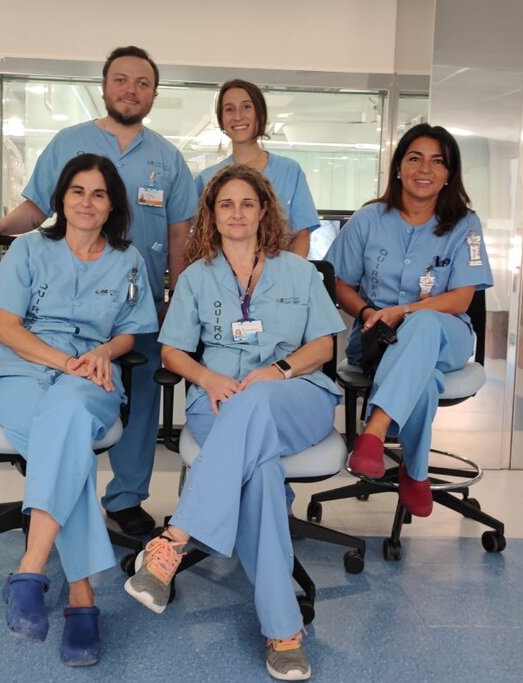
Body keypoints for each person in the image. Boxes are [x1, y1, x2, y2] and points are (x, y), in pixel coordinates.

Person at [0, 46, 198, 536]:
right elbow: (35, 209)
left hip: (135, 306)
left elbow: (180, 234)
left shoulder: (167, 158)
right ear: (104, 86)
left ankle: (126, 496)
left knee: (134, 398)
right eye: (121, 79)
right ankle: (70, 502)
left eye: (142, 83)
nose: (130, 90)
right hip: (61, 309)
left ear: (154, 94)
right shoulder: (69, 142)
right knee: (74, 400)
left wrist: (179, 300)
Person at [124, 165, 344, 681]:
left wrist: (279, 370)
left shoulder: (299, 271)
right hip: (217, 398)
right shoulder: (197, 277)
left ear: (264, 210)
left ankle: (174, 540)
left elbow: (324, 345)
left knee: (257, 402)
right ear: (212, 214)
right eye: (226, 204)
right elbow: (174, 351)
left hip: (295, 396)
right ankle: (283, 633)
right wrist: (208, 377)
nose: (237, 213)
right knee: (262, 477)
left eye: (247, 203)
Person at [0, 154, 157, 667]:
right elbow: (7, 330)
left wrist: (101, 354)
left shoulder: (127, 260)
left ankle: (31, 569)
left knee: (69, 418)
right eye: (77, 191)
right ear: (60, 199)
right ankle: (81, 597)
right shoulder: (29, 249)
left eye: (98, 194)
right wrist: (65, 362)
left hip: (93, 376)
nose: (86, 202)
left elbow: (129, 331)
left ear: (111, 206)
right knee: (71, 440)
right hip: (21, 373)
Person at [324, 123, 493, 518]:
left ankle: (375, 430)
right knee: (425, 379)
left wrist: (403, 311)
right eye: (414, 158)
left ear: (449, 174)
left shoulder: (465, 224)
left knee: (424, 324)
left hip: (446, 333)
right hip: (378, 340)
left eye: (438, 162)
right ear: (398, 166)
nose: (425, 168)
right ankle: (415, 472)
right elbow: (338, 282)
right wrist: (368, 313)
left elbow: (462, 297)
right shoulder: (367, 220)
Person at [194, 79, 320, 258]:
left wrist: (290, 280)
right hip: (222, 281)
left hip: (279, 280)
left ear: (260, 114)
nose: (238, 116)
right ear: (221, 120)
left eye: (246, 107)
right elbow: (201, 239)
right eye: (229, 109)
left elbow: (301, 235)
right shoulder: (207, 179)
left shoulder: (290, 171)